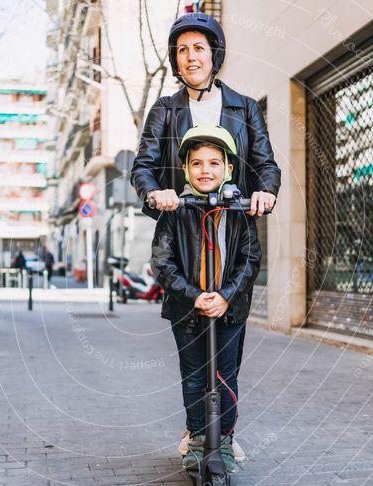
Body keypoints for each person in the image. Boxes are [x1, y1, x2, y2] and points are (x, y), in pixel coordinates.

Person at [132, 11, 281, 460]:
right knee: (192, 359)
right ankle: (195, 430)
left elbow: (267, 165)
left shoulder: (245, 107)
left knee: (227, 362)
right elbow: (142, 165)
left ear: (214, 55)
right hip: (183, 229)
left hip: (231, 229)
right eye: (182, 50)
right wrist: (155, 192)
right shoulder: (165, 109)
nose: (190, 57)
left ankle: (227, 435)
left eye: (199, 48)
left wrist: (266, 193)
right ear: (175, 61)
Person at [151, 124, 261, 474]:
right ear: (186, 170)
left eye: (214, 163)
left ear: (228, 169)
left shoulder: (239, 210)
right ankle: (197, 437)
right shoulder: (176, 210)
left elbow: (250, 258)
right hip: (187, 312)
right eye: (196, 163)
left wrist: (226, 297)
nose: (205, 170)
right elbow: (163, 262)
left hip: (230, 310)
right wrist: (195, 297)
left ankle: (225, 439)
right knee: (195, 376)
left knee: (225, 374)